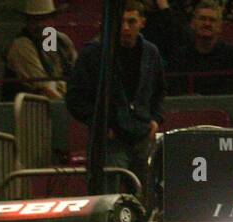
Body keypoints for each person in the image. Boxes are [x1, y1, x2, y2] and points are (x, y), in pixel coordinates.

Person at [65, 0, 166, 191]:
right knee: (108, 197)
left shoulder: (150, 52)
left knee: (144, 195)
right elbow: (74, 99)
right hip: (110, 139)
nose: (125, 28)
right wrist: (100, 123)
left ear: (142, 22)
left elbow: (159, 90)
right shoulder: (94, 53)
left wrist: (155, 119)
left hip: (142, 136)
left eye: (131, 22)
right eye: (120, 22)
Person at [166, 0, 233, 94]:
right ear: (193, 24)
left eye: (212, 20)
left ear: (220, 26)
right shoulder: (179, 57)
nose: (207, 24)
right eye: (202, 19)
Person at [2, 0, 78, 101]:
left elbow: (78, 74)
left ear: (53, 20)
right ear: (27, 22)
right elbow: (45, 88)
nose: (40, 24)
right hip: (29, 111)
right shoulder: (22, 45)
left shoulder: (62, 40)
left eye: (44, 19)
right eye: (35, 20)